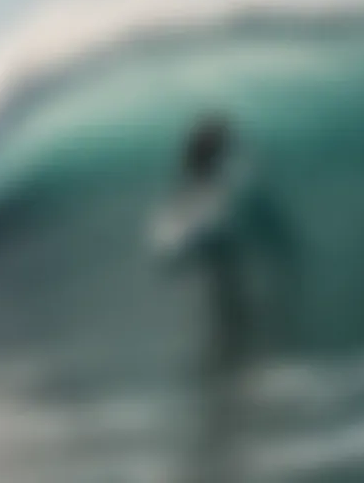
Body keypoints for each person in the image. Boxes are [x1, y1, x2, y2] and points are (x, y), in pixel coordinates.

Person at [150, 113, 300, 482]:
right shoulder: (204, 195)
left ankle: (221, 463)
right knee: (227, 388)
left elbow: (170, 252)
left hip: (225, 306)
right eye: (222, 146)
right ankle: (222, 465)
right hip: (224, 308)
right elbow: (172, 251)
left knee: (226, 390)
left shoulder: (198, 192)